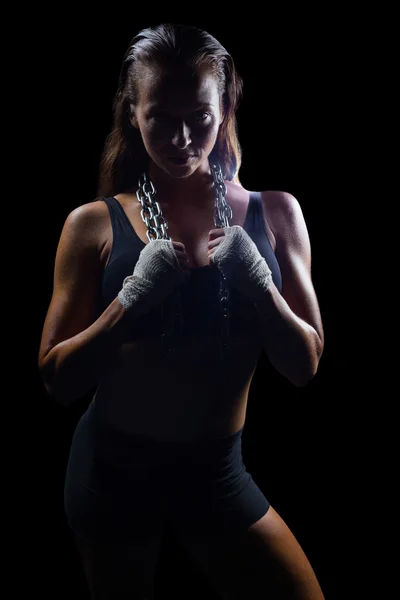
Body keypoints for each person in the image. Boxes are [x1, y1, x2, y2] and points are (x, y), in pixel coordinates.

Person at [38, 22, 326, 600]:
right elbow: (57, 378)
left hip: (216, 473)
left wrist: (262, 288)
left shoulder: (275, 214)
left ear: (225, 109)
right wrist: (130, 299)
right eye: (161, 119)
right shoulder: (92, 225)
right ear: (132, 113)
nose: (182, 138)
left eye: (199, 116)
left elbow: (305, 364)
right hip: (114, 471)